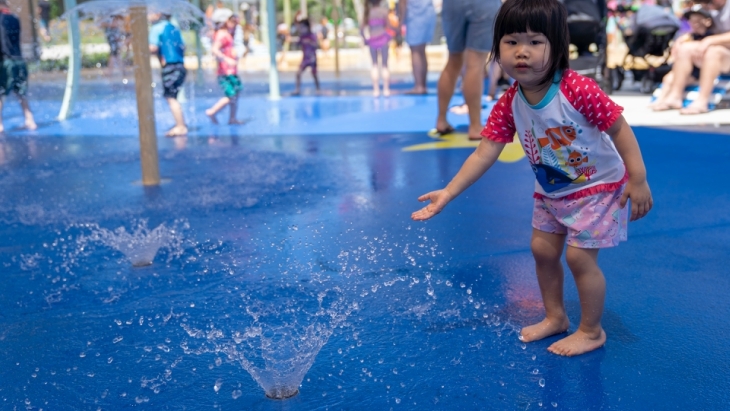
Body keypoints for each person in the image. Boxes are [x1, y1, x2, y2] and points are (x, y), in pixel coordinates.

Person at [412, 0, 653, 357]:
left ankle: (590, 330)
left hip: (596, 188)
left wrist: (639, 178)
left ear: (557, 45)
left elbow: (618, 128)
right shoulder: (509, 102)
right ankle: (555, 317)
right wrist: (448, 192)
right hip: (552, 190)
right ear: (497, 47)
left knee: (579, 259)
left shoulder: (577, 89)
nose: (521, 52)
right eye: (511, 42)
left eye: (535, 42)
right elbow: (484, 152)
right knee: (541, 251)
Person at [434, 0, 501, 140]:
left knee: (453, 60)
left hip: (452, 4)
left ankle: (441, 119)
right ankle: (475, 125)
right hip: (483, 5)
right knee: (475, 63)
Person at [651, 0, 730, 114]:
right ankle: (675, 96)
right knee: (685, 49)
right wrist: (683, 38)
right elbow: (698, 25)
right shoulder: (710, 6)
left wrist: (710, 40)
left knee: (713, 52)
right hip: (716, 49)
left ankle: (702, 101)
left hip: (721, 52)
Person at [148, 12, 188, 137]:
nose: (148, 16)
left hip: (170, 66)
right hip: (180, 66)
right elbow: (184, 46)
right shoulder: (173, 27)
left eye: (149, 13)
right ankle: (181, 124)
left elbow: (152, 48)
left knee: (170, 97)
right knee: (173, 96)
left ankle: (180, 126)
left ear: (158, 14)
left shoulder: (156, 28)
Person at [0, 0, 36, 133]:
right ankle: (30, 120)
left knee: (1, 92)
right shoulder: (15, 18)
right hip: (20, 60)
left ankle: (0, 125)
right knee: (21, 93)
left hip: (6, 61)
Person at [205, 8, 245, 125]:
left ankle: (232, 118)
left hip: (230, 71)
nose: (234, 24)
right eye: (231, 21)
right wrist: (227, 59)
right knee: (231, 95)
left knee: (236, 94)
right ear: (224, 22)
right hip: (226, 72)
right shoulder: (222, 34)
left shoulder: (226, 34)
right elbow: (214, 50)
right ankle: (212, 111)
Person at [398, 0, 436, 94]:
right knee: (422, 50)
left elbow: (403, 2)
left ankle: (419, 86)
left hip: (416, 15)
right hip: (428, 12)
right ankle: (422, 85)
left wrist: (401, 21)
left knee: (415, 50)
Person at [362, 0, 392, 97]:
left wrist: (365, 40)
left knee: (374, 65)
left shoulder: (368, 13)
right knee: (384, 65)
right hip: (383, 39)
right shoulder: (383, 11)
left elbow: (361, 29)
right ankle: (386, 90)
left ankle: (376, 90)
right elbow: (389, 26)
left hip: (372, 40)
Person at [293, 18, 321, 95]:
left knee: (314, 74)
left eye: (302, 27)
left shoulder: (312, 36)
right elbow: (298, 43)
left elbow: (316, 45)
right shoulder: (302, 36)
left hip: (312, 58)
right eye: (300, 28)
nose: (301, 29)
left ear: (307, 27)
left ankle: (318, 89)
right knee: (298, 73)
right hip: (305, 59)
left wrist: (309, 42)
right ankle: (297, 89)